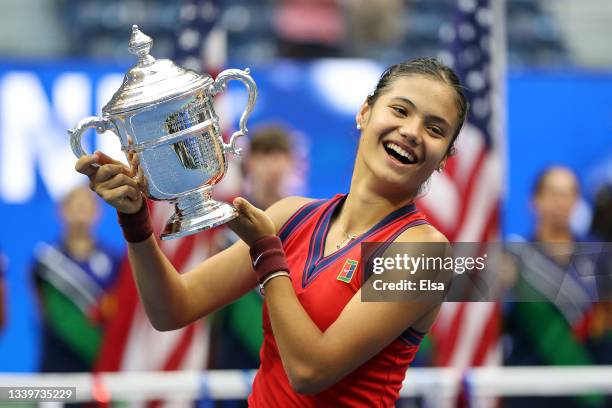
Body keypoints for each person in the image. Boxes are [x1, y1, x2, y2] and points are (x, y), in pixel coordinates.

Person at [75, 57, 467, 406]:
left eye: (435, 129)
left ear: (445, 157)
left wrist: (268, 254)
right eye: (400, 110)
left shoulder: (425, 253)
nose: (412, 131)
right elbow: (171, 309)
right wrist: (136, 222)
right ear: (364, 112)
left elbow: (311, 371)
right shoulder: (291, 216)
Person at [503, 166, 606, 407]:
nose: (562, 202)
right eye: (554, 193)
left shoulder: (599, 255)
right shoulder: (514, 258)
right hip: (530, 389)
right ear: (534, 200)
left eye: (569, 193)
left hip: (589, 390)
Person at [210, 125, 298, 373]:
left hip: (292, 360)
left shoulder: (305, 222)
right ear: (250, 163)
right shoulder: (228, 227)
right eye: (265, 155)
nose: (273, 165)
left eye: (280, 155)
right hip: (235, 364)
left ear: (291, 163)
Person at [32, 185, 120, 372]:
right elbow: (43, 314)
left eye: (86, 206)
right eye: (74, 206)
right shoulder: (45, 263)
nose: (80, 212)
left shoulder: (114, 260)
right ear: (61, 211)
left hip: (99, 363)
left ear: (97, 213)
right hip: (56, 364)